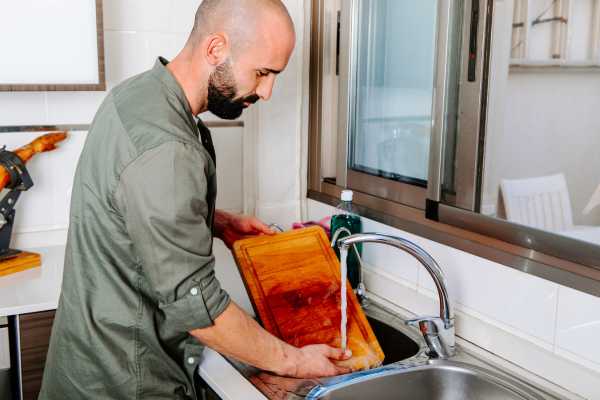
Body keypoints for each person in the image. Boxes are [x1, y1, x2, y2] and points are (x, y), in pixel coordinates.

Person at [39, 0, 351, 399]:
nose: (267, 92)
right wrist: (293, 361)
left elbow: (133, 206)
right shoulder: (168, 149)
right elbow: (197, 308)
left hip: (88, 365)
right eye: (262, 73)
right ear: (216, 49)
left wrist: (217, 222)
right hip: (127, 382)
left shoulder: (138, 96)